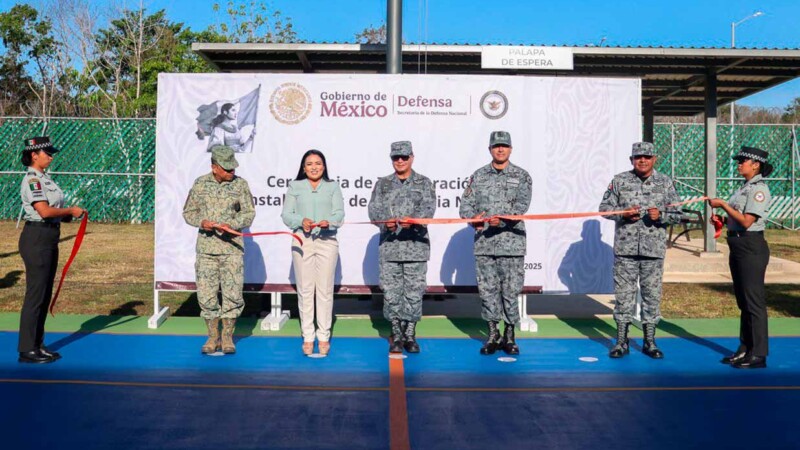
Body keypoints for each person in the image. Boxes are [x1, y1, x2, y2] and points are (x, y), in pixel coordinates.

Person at [599, 142, 682, 359]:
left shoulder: (665, 183)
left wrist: (661, 216)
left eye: (646, 157)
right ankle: (621, 341)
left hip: (652, 251)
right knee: (623, 297)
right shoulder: (620, 181)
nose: (642, 160)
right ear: (631, 160)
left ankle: (650, 341)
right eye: (637, 157)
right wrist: (623, 214)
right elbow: (604, 209)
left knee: (651, 296)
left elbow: (678, 213)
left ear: (655, 159)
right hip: (625, 250)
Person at [459, 131, 532, 355]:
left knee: (510, 291)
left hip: (512, 245)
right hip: (485, 245)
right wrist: (475, 219)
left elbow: (522, 205)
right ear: (490, 149)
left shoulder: (522, 176)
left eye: (504, 146)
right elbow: (465, 207)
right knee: (488, 291)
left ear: (511, 149)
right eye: (496, 146)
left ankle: (510, 335)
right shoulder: (478, 176)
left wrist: (503, 217)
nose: (500, 149)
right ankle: (493, 334)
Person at [17, 136, 85, 364]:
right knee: (36, 295)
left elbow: (51, 212)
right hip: (37, 236)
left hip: (48, 235)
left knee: (44, 294)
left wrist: (67, 216)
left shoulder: (45, 179)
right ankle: (27, 349)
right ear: (34, 155)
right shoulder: (33, 180)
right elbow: (44, 211)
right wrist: (69, 210)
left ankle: (37, 344)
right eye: (47, 153)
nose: (51, 156)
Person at [183, 145, 255, 355]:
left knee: (232, 295)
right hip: (206, 250)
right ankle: (213, 336)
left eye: (233, 168)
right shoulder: (200, 184)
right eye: (227, 168)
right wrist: (202, 222)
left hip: (232, 249)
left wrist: (232, 225)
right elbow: (188, 212)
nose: (232, 172)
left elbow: (249, 213)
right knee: (206, 295)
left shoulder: (240, 185)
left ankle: (227, 337)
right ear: (214, 167)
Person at [368, 141, 436, 354]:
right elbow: (373, 210)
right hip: (390, 248)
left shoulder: (424, 183)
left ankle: (410, 333)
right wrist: (384, 220)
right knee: (391, 293)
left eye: (404, 157)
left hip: (415, 247)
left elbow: (429, 209)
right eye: (395, 158)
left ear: (412, 158)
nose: (399, 161)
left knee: (414, 292)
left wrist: (414, 220)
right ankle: (396, 333)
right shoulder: (383, 185)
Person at [708, 146, 773, 369]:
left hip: (751, 245)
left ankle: (759, 354)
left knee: (754, 301)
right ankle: (745, 348)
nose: (739, 163)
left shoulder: (759, 189)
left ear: (755, 165)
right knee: (743, 301)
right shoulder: (744, 187)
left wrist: (724, 205)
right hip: (738, 244)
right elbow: (738, 220)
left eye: (743, 160)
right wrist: (724, 221)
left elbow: (747, 221)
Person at [281, 150, 345, 356]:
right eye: (309, 164)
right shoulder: (295, 186)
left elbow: (339, 214)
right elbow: (286, 214)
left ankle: (323, 335)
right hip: (303, 241)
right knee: (306, 290)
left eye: (318, 163)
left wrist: (330, 222)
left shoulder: (332, 187)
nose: (314, 167)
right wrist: (301, 221)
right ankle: (308, 336)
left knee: (325, 291)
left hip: (327, 241)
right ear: (303, 167)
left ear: (324, 166)